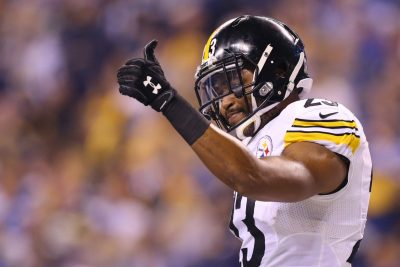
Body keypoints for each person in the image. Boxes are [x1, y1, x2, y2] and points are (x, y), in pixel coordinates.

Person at [117, 15, 372, 267]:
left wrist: (168, 101)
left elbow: (253, 177)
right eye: (216, 89)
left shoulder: (318, 116)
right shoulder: (258, 142)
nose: (225, 101)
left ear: (279, 70)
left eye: (234, 81)